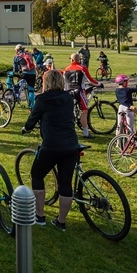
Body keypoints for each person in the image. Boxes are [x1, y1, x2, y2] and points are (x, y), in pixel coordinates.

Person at [21, 69, 80, 231]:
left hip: (52, 145)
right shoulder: (68, 98)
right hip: (71, 144)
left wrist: (26, 128)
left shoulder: (42, 100)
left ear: (46, 82)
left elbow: (32, 120)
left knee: (37, 175)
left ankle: (39, 215)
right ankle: (61, 221)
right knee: (65, 183)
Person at [63, 53, 101, 139]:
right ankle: (86, 133)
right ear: (79, 60)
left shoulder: (66, 69)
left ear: (72, 60)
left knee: (68, 111)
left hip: (68, 91)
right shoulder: (82, 68)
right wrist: (99, 84)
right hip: (79, 91)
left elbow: (64, 82)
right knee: (84, 111)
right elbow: (90, 80)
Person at [13, 45, 37, 109]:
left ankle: (17, 96)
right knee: (31, 90)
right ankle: (32, 106)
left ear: (17, 50)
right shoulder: (28, 54)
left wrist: (17, 72)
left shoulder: (17, 57)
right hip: (33, 73)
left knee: (17, 84)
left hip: (24, 74)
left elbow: (15, 69)